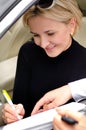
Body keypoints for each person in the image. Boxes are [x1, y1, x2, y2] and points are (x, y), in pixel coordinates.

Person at [1, 0, 86, 125]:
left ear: (72, 25)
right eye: (36, 35)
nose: (43, 43)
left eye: (50, 33)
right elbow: (18, 105)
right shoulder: (28, 52)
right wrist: (7, 113)